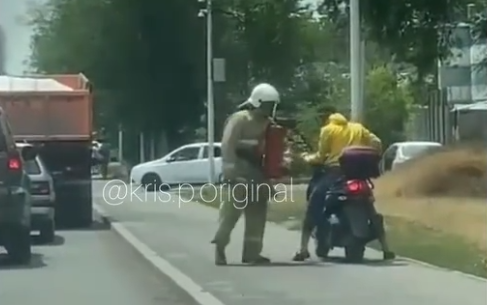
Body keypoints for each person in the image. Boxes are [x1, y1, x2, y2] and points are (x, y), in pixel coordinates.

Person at [292, 108, 396, 261]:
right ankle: (386, 249)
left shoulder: (328, 130)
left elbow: (321, 156)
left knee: (314, 206)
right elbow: (377, 143)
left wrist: (307, 158)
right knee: (371, 209)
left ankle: (303, 249)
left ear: (328, 119)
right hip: (360, 175)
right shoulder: (358, 128)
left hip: (334, 173)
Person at [211, 83, 280, 266]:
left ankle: (252, 253)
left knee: (258, 213)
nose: (270, 109)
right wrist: (229, 169)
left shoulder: (269, 125)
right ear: (258, 102)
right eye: (267, 104)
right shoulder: (240, 119)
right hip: (239, 171)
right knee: (230, 213)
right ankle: (220, 247)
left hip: (258, 172)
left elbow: (272, 150)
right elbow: (228, 144)